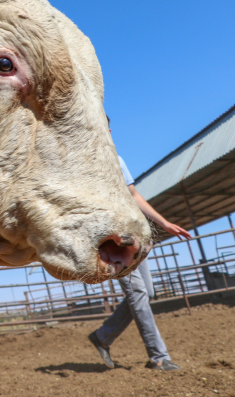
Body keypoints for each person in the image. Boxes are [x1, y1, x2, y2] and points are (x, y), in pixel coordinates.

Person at [88, 149, 192, 371]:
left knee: (149, 293)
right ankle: (159, 357)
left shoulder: (116, 159)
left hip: (132, 234)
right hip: (112, 240)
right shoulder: (83, 160)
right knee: (138, 294)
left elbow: (133, 195)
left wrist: (164, 223)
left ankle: (103, 336)